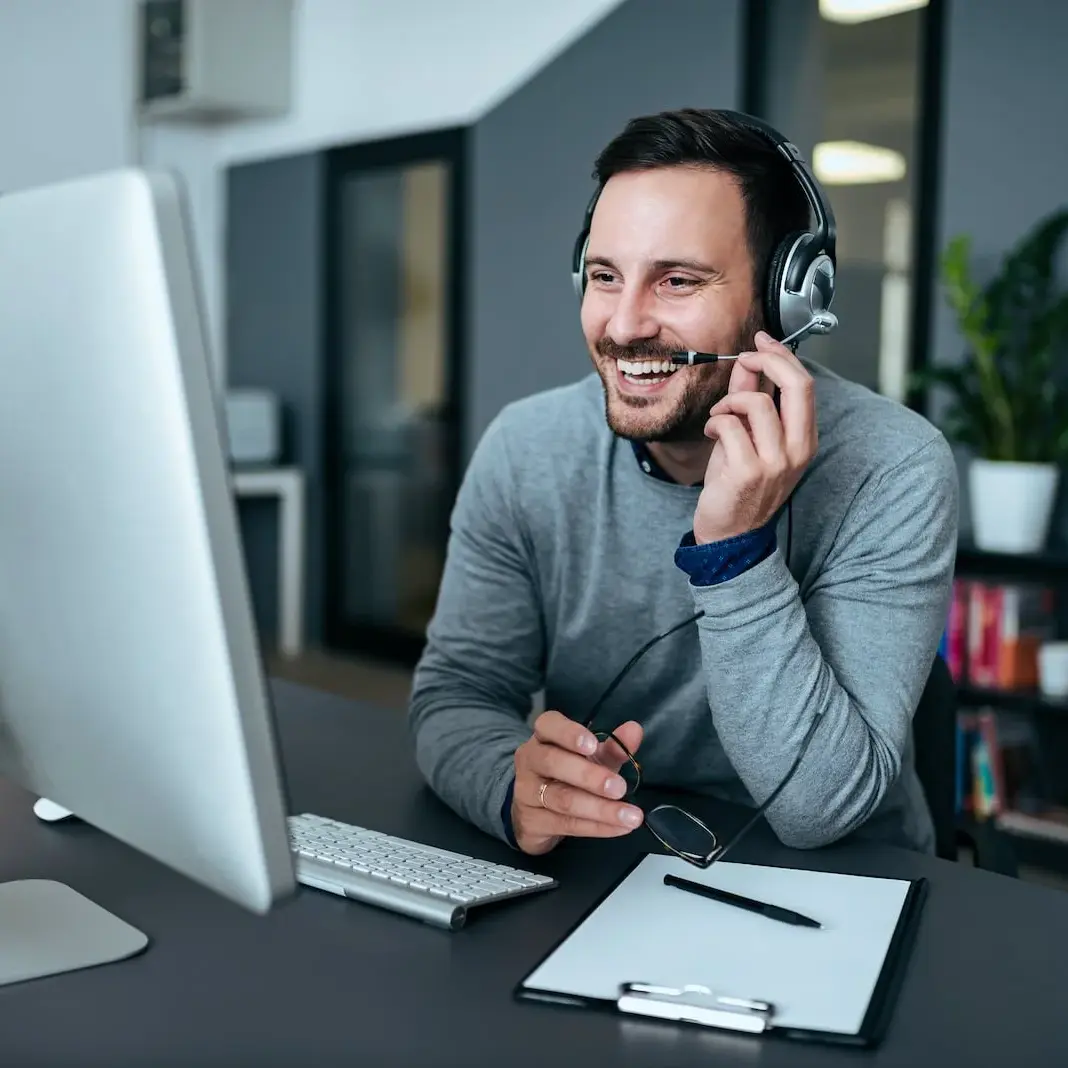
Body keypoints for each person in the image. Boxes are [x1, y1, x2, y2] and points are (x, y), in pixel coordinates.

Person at [407, 107, 958, 859]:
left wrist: (733, 551)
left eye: (677, 280)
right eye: (605, 276)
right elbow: (457, 694)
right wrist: (511, 787)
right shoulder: (525, 449)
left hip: (848, 879)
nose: (625, 324)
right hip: (618, 852)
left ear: (786, 299)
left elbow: (820, 809)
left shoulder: (892, 467)